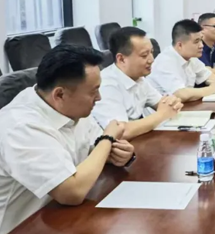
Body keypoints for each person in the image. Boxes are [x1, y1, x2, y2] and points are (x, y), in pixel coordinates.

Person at [0, 45, 134, 234]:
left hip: (58, 218)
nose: (99, 98)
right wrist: (108, 139)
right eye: (93, 91)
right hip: (22, 226)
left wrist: (119, 153)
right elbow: (72, 192)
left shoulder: (71, 106)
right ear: (60, 94)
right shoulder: (20, 127)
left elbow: (98, 148)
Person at [92, 27, 184, 140]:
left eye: (151, 52)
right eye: (144, 55)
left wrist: (172, 103)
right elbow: (120, 132)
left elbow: (162, 104)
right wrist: (161, 115)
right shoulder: (106, 85)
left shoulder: (139, 78)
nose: (151, 60)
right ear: (121, 59)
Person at [147, 19, 215, 102]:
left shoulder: (191, 58)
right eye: (196, 41)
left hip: (183, 107)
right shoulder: (164, 62)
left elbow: (212, 77)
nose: (201, 45)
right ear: (180, 45)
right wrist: (212, 89)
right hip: (162, 109)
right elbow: (181, 95)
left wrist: (214, 85)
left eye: (201, 40)